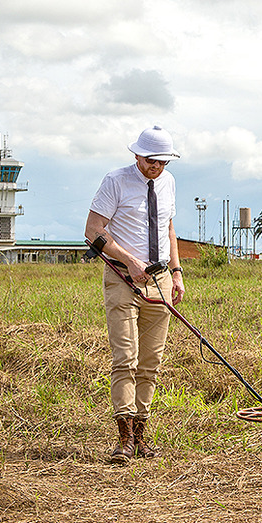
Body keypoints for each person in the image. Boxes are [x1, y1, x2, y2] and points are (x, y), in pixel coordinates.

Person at [85, 125, 186, 464]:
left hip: (160, 280)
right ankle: (124, 437)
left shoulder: (169, 183)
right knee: (125, 357)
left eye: (163, 162)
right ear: (137, 155)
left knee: (151, 362)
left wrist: (176, 273)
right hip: (122, 277)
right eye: (151, 160)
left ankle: (141, 433)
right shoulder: (115, 180)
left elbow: (169, 229)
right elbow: (92, 231)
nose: (156, 167)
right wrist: (129, 261)